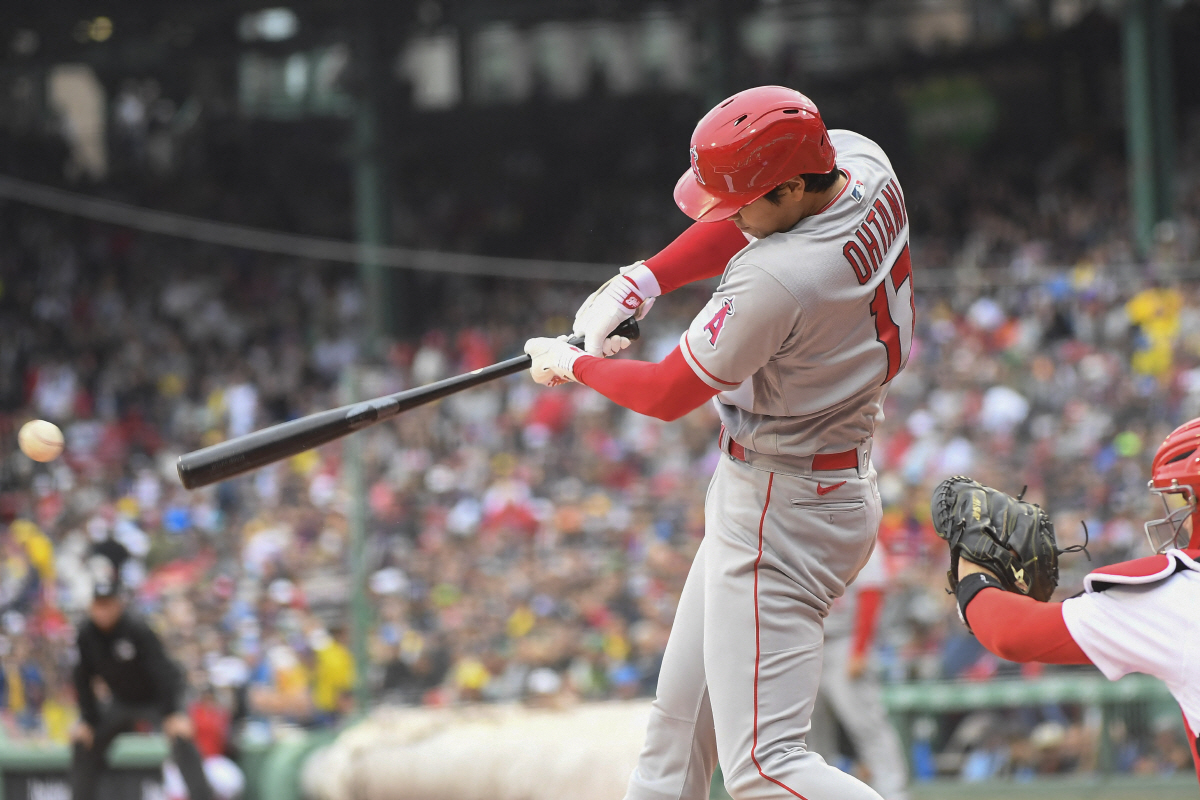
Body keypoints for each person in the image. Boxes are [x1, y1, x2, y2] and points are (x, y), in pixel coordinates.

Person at [523, 85, 915, 800]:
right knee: (672, 744)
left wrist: (574, 364)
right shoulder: (862, 162)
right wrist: (642, 280)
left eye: (742, 202)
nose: (728, 215)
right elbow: (756, 221)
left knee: (765, 769)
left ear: (791, 188)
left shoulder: (783, 276)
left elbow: (668, 393)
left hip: (785, 504)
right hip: (797, 483)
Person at [947, 417, 1200, 784]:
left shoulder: (1178, 593)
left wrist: (972, 564)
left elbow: (1012, 634)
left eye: (1185, 498)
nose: (1183, 514)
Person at [70, 539, 212, 800]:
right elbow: (82, 676)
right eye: (98, 604)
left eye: (108, 603)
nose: (103, 611)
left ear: (118, 604)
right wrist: (88, 719)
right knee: (84, 741)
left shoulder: (136, 628)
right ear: (91, 606)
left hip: (156, 699)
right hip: (121, 701)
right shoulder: (86, 634)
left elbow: (163, 671)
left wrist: (173, 712)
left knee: (181, 738)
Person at [810, 545, 909, 800]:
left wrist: (860, 649)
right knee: (809, 731)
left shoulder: (862, 536)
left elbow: (871, 593)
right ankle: (816, 793)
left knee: (866, 723)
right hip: (808, 640)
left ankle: (892, 791)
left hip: (845, 641)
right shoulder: (803, 533)